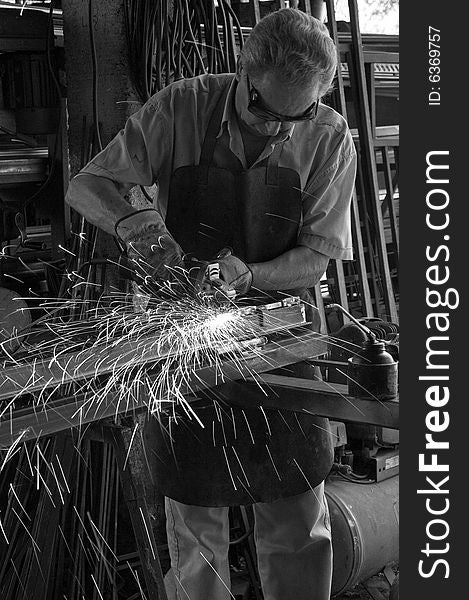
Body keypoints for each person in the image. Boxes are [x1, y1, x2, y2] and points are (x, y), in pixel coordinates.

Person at [66, 8, 356, 600]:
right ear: (244, 71)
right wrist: (139, 225)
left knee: (297, 517)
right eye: (264, 112)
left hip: (281, 337)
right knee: (195, 526)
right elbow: (86, 186)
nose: (276, 130)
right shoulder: (181, 108)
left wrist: (250, 275)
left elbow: (316, 258)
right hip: (183, 338)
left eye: (292, 119)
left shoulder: (328, 138)